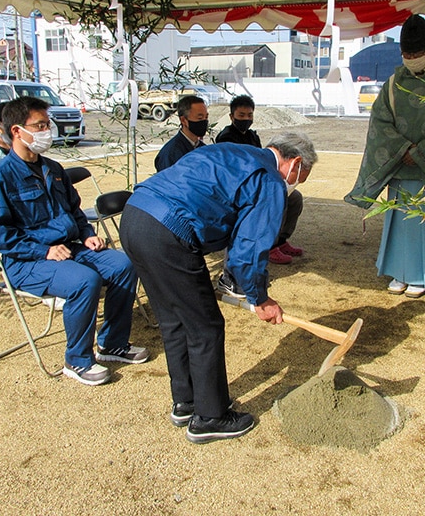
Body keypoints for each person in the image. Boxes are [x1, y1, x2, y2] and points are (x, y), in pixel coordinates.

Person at [119, 132, 317, 444]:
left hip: (135, 216)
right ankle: (210, 417)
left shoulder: (233, 150)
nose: (294, 186)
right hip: (169, 231)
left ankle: (186, 402)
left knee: (174, 320)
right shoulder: (269, 179)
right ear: (294, 163)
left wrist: (235, 281)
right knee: (205, 327)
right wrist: (259, 298)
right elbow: (251, 246)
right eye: (300, 178)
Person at [0, 96, 148, 386]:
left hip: (72, 248)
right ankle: (77, 360)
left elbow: (75, 212)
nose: (47, 130)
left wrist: (87, 235)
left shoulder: (53, 170)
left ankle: (112, 343)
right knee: (84, 281)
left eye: (47, 123)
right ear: (17, 131)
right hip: (26, 262)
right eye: (40, 125)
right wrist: (43, 250)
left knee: (124, 264)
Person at [345, 14, 425, 298]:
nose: (411, 58)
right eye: (407, 54)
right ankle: (398, 273)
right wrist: (403, 149)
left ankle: (424, 275)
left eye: (417, 53)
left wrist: (420, 152)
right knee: (399, 221)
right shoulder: (393, 84)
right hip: (401, 166)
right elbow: (380, 124)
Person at [215, 95, 305, 274]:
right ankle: (269, 246)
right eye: (241, 115)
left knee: (294, 197)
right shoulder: (225, 138)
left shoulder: (252, 136)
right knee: (277, 200)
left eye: (249, 115)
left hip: (258, 182)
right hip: (240, 188)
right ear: (232, 116)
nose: (246, 119)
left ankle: (280, 241)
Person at [154, 95, 209, 172]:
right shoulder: (171, 153)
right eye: (199, 118)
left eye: (206, 117)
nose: (204, 121)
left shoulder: (203, 148)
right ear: (183, 120)